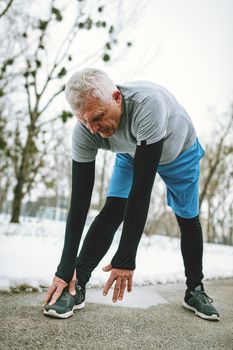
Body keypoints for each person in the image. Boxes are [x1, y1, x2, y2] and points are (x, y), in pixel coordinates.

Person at [42, 68, 219, 321]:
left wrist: (126, 256)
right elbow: (79, 204)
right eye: (85, 122)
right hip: (133, 151)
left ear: (116, 97)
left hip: (179, 153)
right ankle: (76, 285)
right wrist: (64, 268)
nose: (93, 129)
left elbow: (141, 191)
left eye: (98, 118)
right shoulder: (85, 131)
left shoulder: (148, 105)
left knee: (188, 218)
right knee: (113, 209)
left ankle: (195, 290)